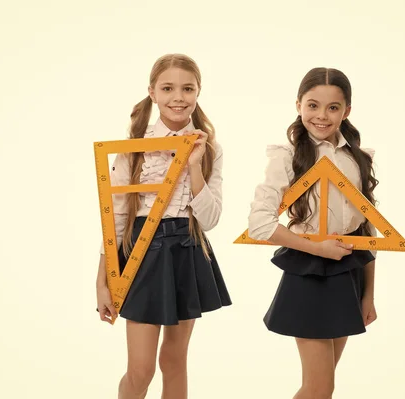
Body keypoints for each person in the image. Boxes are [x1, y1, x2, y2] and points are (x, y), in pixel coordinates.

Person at [96, 53, 231, 399]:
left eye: (188, 88)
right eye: (168, 88)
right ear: (152, 92)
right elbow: (116, 219)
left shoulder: (210, 148)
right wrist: (103, 279)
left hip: (186, 250)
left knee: (174, 360)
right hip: (141, 253)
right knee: (140, 370)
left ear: (199, 92)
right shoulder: (132, 149)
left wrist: (196, 166)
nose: (178, 97)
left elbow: (211, 220)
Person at [248, 67, 379, 399]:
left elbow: (368, 228)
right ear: (298, 105)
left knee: (321, 387)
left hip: (348, 271)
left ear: (346, 110)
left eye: (333, 107)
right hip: (309, 272)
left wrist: (368, 294)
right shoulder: (287, 156)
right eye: (313, 105)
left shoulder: (357, 158)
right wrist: (318, 248)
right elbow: (260, 224)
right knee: (320, 388)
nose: (322, 116)